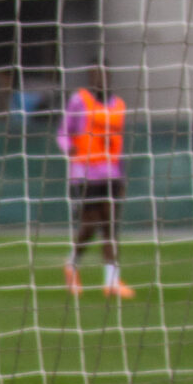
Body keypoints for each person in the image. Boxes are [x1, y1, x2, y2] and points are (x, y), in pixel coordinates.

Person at [58, 68, 130, 299]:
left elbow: (118, 144)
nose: (100, 79)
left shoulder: (119, 105)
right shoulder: (80, 100)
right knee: (90, 224)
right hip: (85, 173)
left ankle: (111, 280)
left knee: (110, 224)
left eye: (104, 74)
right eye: (95, 74)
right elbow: (63, 132)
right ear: (90, 77)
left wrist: (122, 174)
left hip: (111, 173)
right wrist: (67, 147)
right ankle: (71, 264)